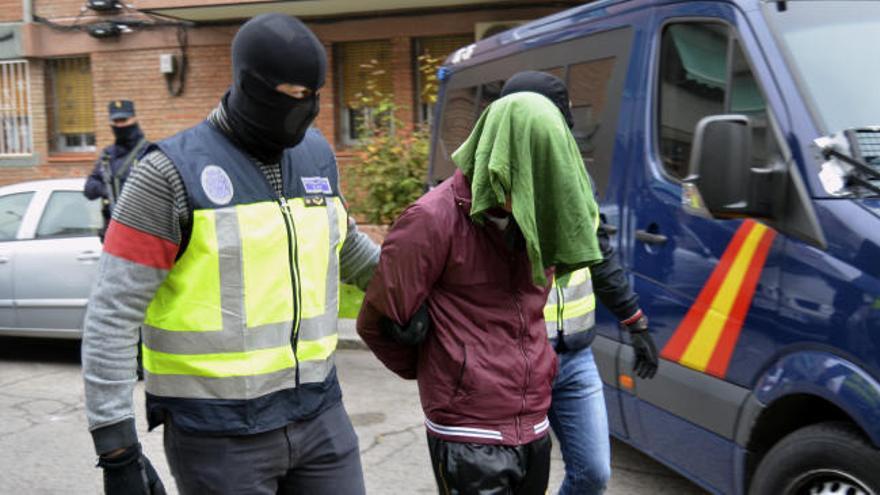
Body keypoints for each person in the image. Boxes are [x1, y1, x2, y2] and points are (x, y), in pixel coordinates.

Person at [81, 14, 379, 495]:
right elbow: (111, 317)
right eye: (290, 94)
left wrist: (425, 288)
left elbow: (349, 247)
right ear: (247, 84)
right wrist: (117, 450)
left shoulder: (317, 155)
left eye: (313, 95)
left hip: (320, 416)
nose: (304, 108)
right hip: (218, 437)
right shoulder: (167, 175)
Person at [358, 91, 604, 494]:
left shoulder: (540, 216)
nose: (534, 192)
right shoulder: (431, 220)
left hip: (533, 422)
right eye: (525, 176)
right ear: (498, 160)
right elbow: (376, 322)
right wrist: (443, 373)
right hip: (467, 429)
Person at [500, 71, 659, 495]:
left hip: (575, 359)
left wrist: (635, 321)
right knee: (515, 483)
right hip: (514, 362)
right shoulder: (491, 187)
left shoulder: (579, 183)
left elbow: (600, 257)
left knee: (593, 474)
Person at [84, 99, 149, 242]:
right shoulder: (108, 155)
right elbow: (89, 189)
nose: (120, 125)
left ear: (134, 119)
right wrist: (108, 189)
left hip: (142, 234)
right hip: (113, 236)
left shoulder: (148, 152)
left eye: (124, 120)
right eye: (116, 121)